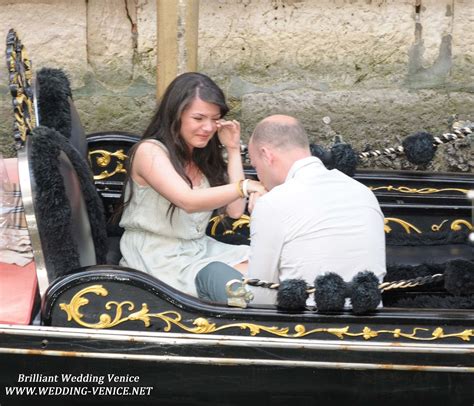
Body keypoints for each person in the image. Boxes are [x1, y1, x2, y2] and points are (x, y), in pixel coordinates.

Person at [196, 114, 386, 306]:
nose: (259, 176)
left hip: (300, 323)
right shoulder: (364, 193)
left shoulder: (272, 203)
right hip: (367, 315)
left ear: (267, 155)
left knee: (210, 273)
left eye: (255, 165)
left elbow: (262, 297)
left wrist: (259, 216)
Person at [117, 72, 265, 298]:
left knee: (268, 268)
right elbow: (187, 201)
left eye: (214, 119)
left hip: (197, 248)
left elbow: (235, 211)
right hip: (157, 257)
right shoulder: (149, 152)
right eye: (199, 118)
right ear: (176, 115)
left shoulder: (200, 155)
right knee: (246, 290)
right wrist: (246, 186)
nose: (208, 127)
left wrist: (233, 149)